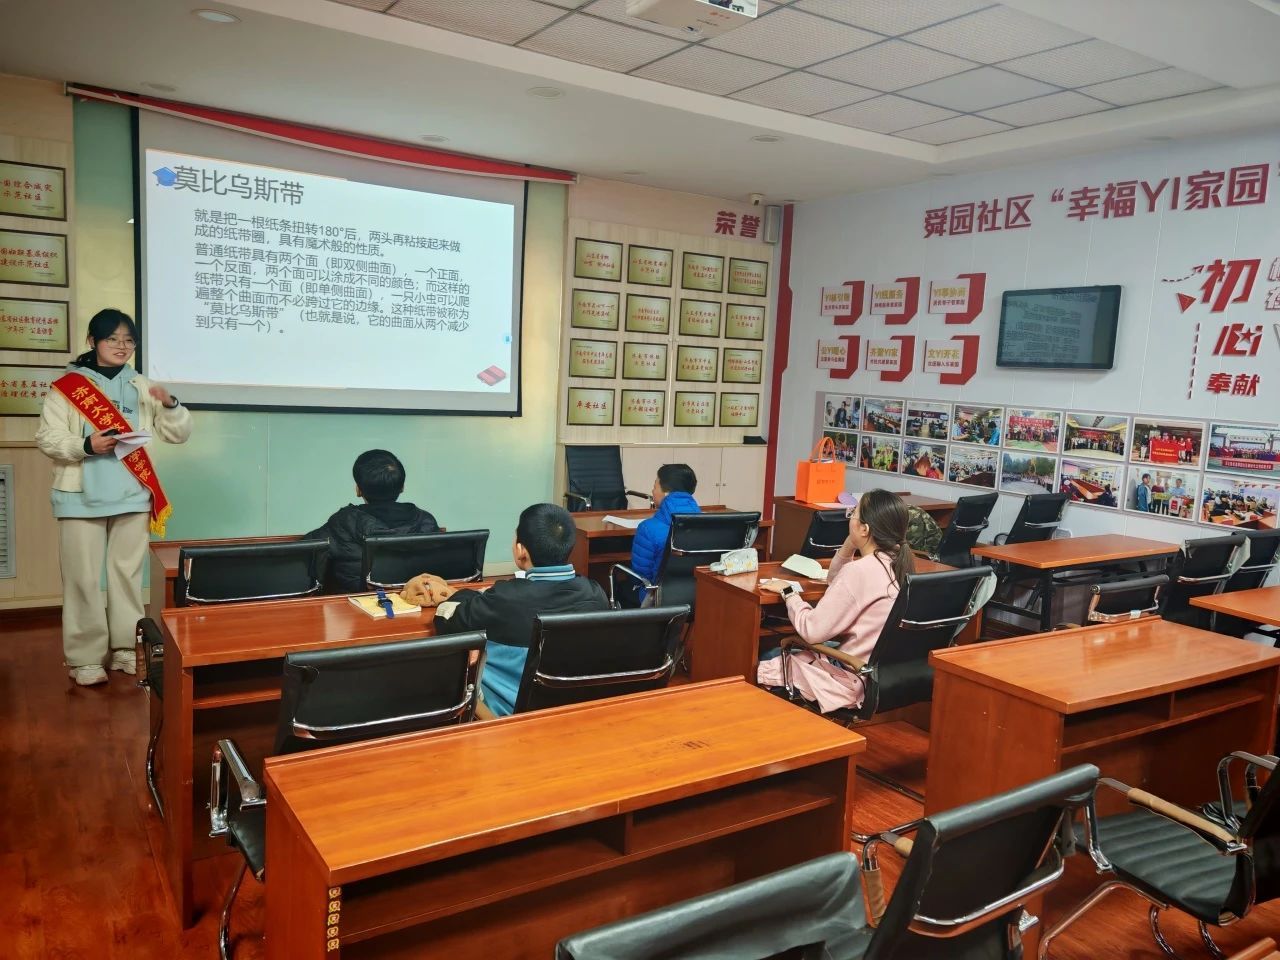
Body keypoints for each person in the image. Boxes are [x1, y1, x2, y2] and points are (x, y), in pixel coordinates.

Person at [36, 309, 192, 686]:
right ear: (92, 342)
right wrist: (86, 445)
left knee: (126, 575)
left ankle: (126, 647)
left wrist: (171, 405)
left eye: (128, 340)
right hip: (79, 496)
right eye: (112, 339)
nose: (122, 346)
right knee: (83, 579)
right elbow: (47, 438)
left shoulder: (142, 386)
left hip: (132, 493)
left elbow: (178, 434)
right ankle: (85, 658)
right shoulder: (68, 387)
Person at [406, 503, 609, 717]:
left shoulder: (503, 600)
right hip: (575, 715)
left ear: (521, 551)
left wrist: (464, 595)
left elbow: (445, 619)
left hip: (509, 721)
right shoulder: (596, 594)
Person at [756, 490, 914, 713]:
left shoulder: (860, 571)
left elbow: (811, 631)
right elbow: (835, 580)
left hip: (850, 678)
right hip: (880, 675)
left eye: (853, 513)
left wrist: (789, 592)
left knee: (767, 657)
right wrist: (850, 545)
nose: (850, 517)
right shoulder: (899, 564)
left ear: (864, 529)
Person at [304, 449, 439, 592]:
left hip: (355, 604)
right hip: (417, 600)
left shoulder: (343, 523)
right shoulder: (426, 522)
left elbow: (304, 555)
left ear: (358, 490)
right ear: (402, 487)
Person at [629, 463, 700, 592]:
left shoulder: (647, 529)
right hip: (699, 596)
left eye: (655, 486)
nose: (652, 491)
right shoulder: (706, 524)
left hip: (655, 598)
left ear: (666, 493)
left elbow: (640, 577)